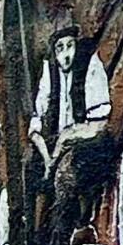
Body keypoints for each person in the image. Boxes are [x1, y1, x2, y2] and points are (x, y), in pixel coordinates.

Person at [30, 25, 110, 168]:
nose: (66, 54)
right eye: (60, 48)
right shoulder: (50, 73)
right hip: (58, 144)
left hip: (86, 140)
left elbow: (98, 125)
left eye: (70, 46)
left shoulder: (90, 66)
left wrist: (65, 138)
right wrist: (48, 157)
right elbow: (37, 119)